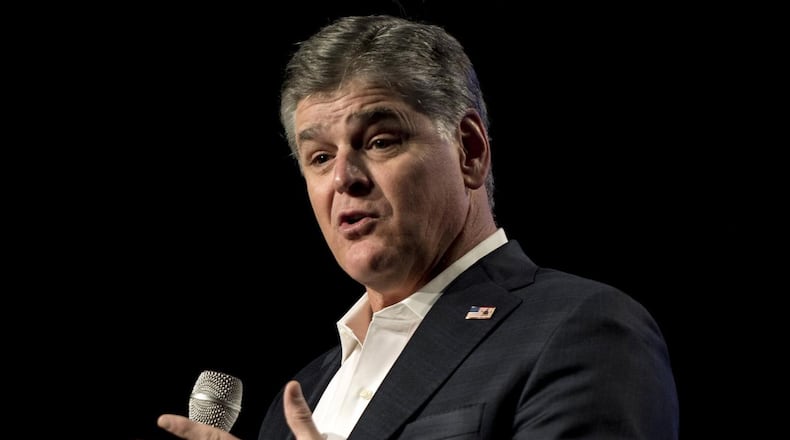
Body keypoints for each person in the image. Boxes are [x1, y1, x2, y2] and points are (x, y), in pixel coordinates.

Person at [157, 14, 679, 439]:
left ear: (469, 151)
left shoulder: (579, 329)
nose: (343, 178)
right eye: (318, 157)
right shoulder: (304, 395)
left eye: (380, 141)